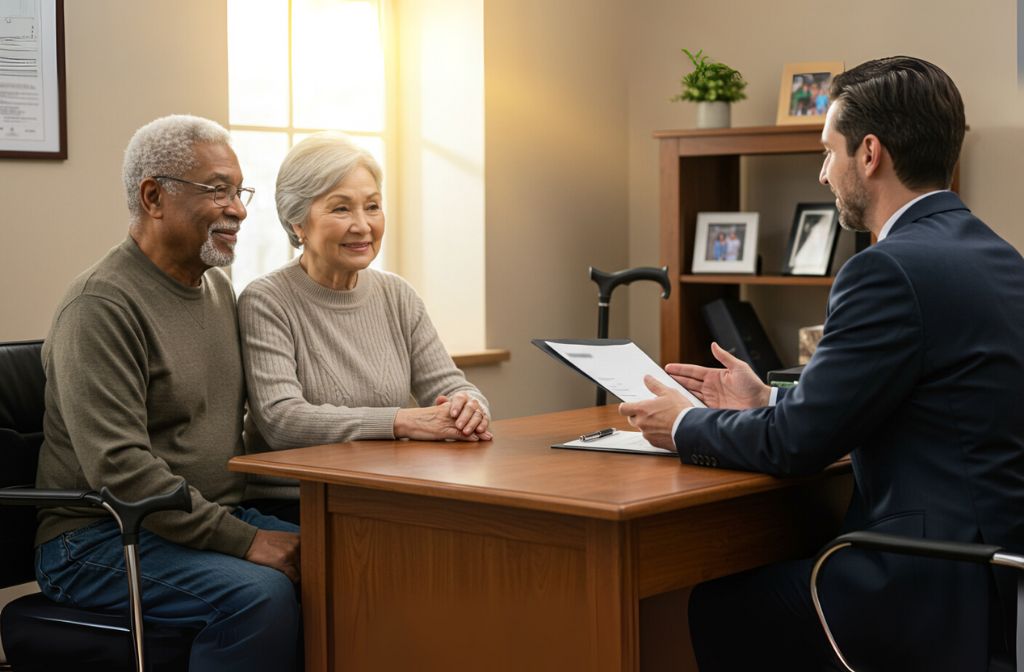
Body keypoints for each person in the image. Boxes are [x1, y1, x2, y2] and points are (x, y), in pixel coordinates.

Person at [620, 56, 1024, 671]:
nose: (823, 172)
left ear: (869, 154)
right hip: (999, 580)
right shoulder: (1000, 257)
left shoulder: (885, 269)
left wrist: (680, 424)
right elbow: (918, 397)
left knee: (718, 606)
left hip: (931, 587)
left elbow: (798, 446)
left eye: (828, 151)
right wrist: (770, 400)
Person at [34, 115, 302, 672]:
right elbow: (122, 471)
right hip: (98, 540)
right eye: (217, 190)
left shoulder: (215, 289)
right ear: (153, 197)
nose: (240, 209)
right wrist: (247, 542)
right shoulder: (100, 306)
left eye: (239, 190)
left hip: (202, 520)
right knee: (260, 593)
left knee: (357, 553)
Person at [238, 132, 491, 524]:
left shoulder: (397, 294)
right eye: (341, 209)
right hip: (299, 504)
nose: (363, 225)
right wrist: (401, 421)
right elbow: (282, 420)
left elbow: (454, 386)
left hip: (388, 491)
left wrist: (468, 409)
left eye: (372, 206)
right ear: (297, 222)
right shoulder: (267, 299)